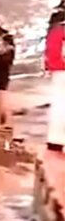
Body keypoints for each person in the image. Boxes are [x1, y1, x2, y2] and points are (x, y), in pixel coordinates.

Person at [45, 13, 65, 151]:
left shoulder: (55, 32)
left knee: (58, 104)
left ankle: (55, 139)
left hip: (58, 70)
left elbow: (50, 52)